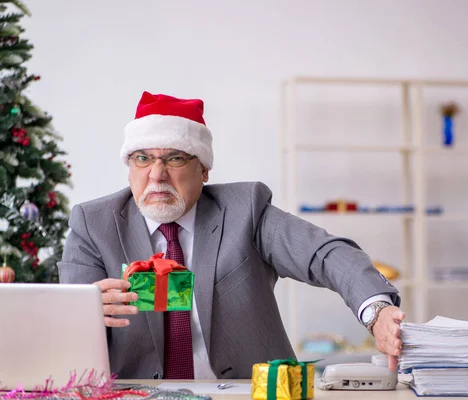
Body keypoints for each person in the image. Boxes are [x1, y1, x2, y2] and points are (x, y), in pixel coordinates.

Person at [58, 91, 405, 380]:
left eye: (175, 158)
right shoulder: (94, 223)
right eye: (142, 158)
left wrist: (377, 312)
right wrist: (85, 310)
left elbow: (325, 254)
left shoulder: (245, 211)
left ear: (204, 168)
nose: (157, 175)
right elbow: (69, 340)